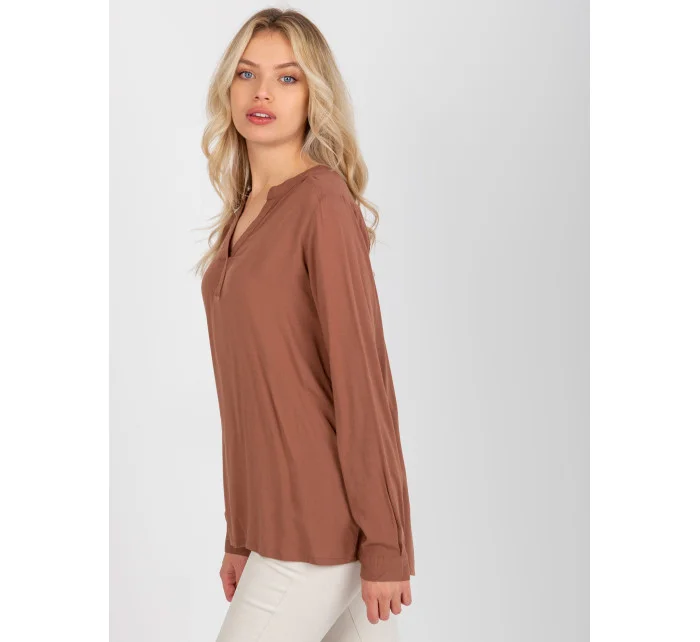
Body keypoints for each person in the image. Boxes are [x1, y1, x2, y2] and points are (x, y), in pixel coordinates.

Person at [195, 8, 415, 641]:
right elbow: (246, 397)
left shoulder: (322, 202)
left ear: (314, 94)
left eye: (287, 78)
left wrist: (387, 545)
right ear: (228, 88)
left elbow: (362, 380)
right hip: (278, 529)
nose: (262, 92)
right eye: (247, 74)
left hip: (318, 531)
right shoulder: (242, 214)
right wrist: (241, 535)